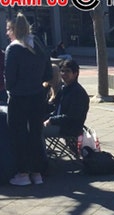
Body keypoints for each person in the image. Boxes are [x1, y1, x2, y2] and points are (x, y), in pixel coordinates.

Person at [5, 12, 52, 186]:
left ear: (14, 30)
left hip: (19, 97)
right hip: (37, 96)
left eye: (8, 30)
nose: (6, 33)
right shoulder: (38, 44)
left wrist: (13, 88)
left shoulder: (14, 48)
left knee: (19, 135)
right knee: (35, 134)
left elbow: (9, 80)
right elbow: (48, 72)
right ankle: (37, 172)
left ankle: (23, 173)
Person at [43, 59, 89, 138]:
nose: (64, 74)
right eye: (62, 71)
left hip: (69, 128)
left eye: (68, 71)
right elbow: (54, 108)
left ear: (75, 74)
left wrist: (52, 120)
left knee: (36, 130)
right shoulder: (64, 88)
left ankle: (39, 150)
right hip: (60, 124)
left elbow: (71, 117)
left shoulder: (78, 92)